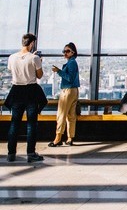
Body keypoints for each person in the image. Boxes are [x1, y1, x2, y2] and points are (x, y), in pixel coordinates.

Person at [5, 33, 45, 163]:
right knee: (31, 124)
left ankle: (11, 153)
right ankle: (31, 153)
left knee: (14, 123)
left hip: (16, 91)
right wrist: (40, 62)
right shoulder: (34, 58)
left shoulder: (12, 57)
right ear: (32, 43)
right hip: (31, 92)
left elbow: (12, 71)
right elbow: (39, 76)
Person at [49, 42, 80, 147]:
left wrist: (58, 71)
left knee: (61, 114)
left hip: (67, 91)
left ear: (73, 52)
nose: (65, 53)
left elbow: (70, 78)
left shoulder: (71, 63)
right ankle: (70, 138)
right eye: (64, 51)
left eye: (67, 51)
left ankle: (57, 139)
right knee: (71, 115)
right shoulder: (73, 62)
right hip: (74, 91)